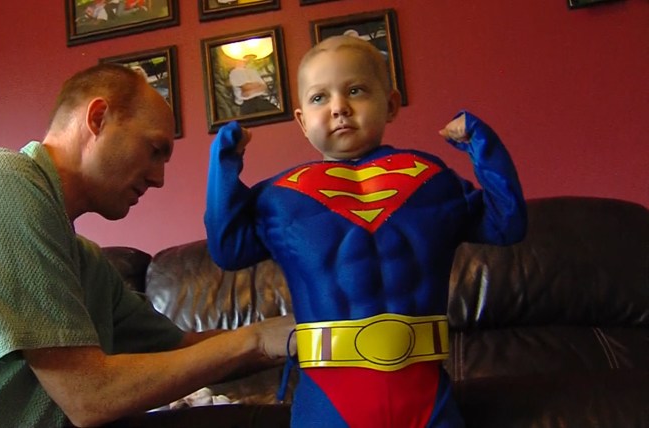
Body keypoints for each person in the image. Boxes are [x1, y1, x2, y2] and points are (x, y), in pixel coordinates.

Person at [0, 63, 295, 427]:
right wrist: (253, 339)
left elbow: (180, 350)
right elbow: (90, 396)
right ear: (98, 118)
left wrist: (300, 334)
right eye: (154, 150)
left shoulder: (84, 262)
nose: (159, 179)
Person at [205, 35, 527, 427]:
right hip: (329, 399)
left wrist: (483, 146)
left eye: (355, 90)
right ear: (303, 121)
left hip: (424, 393)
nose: (339, 107)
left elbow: (506, 225)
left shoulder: (432, 179)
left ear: (390, 104)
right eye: (320, 98)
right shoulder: (280, 196)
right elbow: (229, 249)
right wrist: (224, 167)